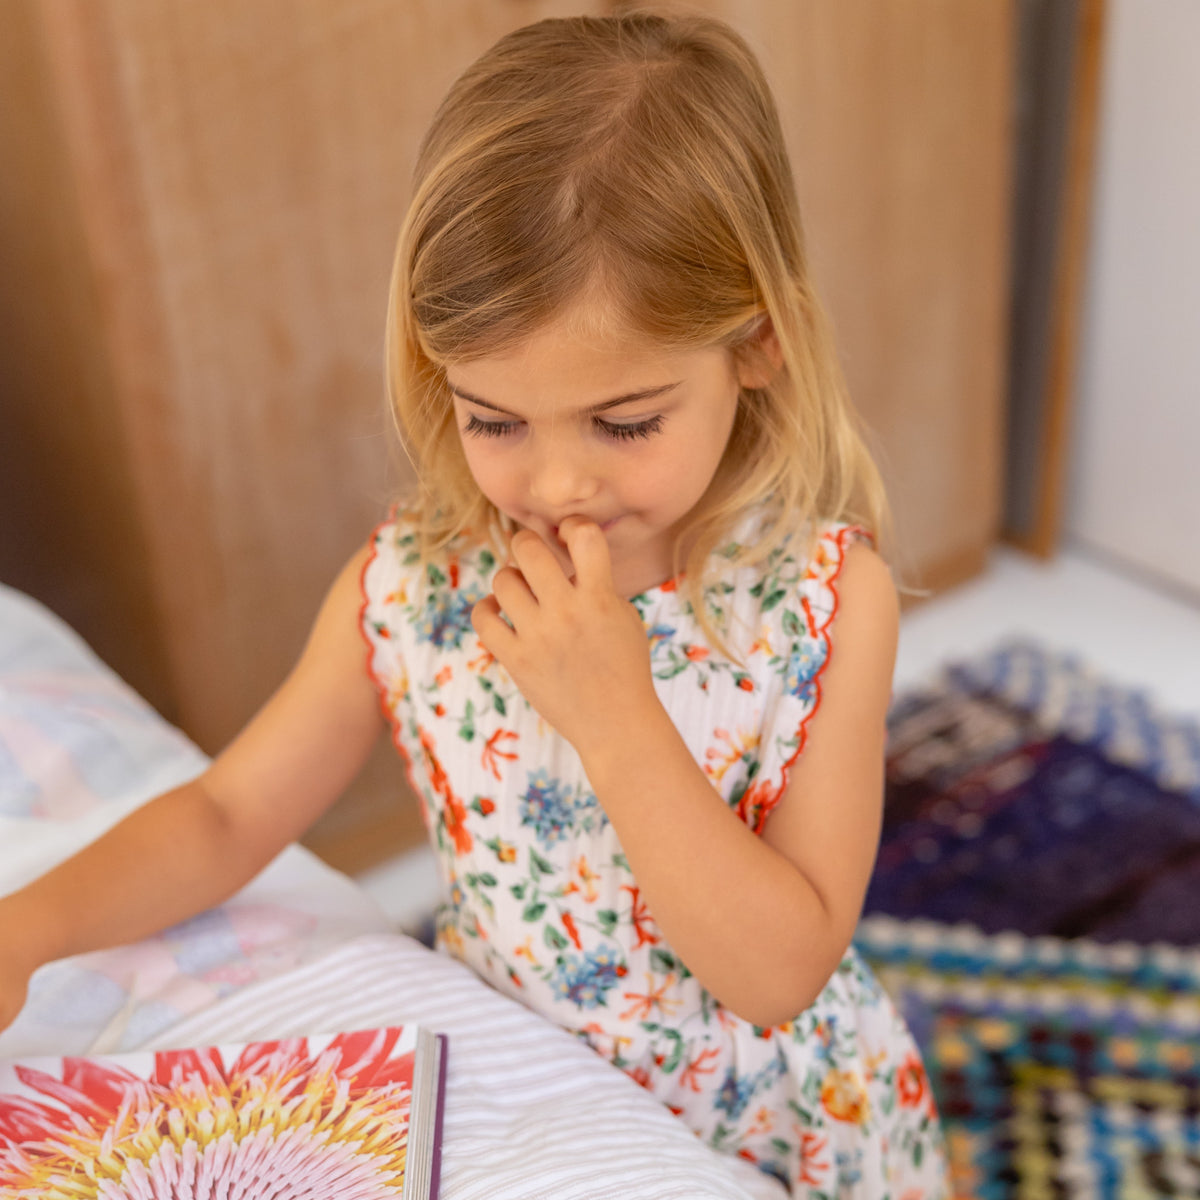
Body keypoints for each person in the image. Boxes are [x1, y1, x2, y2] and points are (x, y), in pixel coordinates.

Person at [0, 13, 946, 1194]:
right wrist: (29, 929)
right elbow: (229, 816)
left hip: (777, 1126)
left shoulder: (824, 605)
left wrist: (615, 716)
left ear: (756, 345)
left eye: (624, 422)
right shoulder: (413, 584)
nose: (556, 484)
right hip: (526, 1097)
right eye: (495, 420)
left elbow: (780, 973)